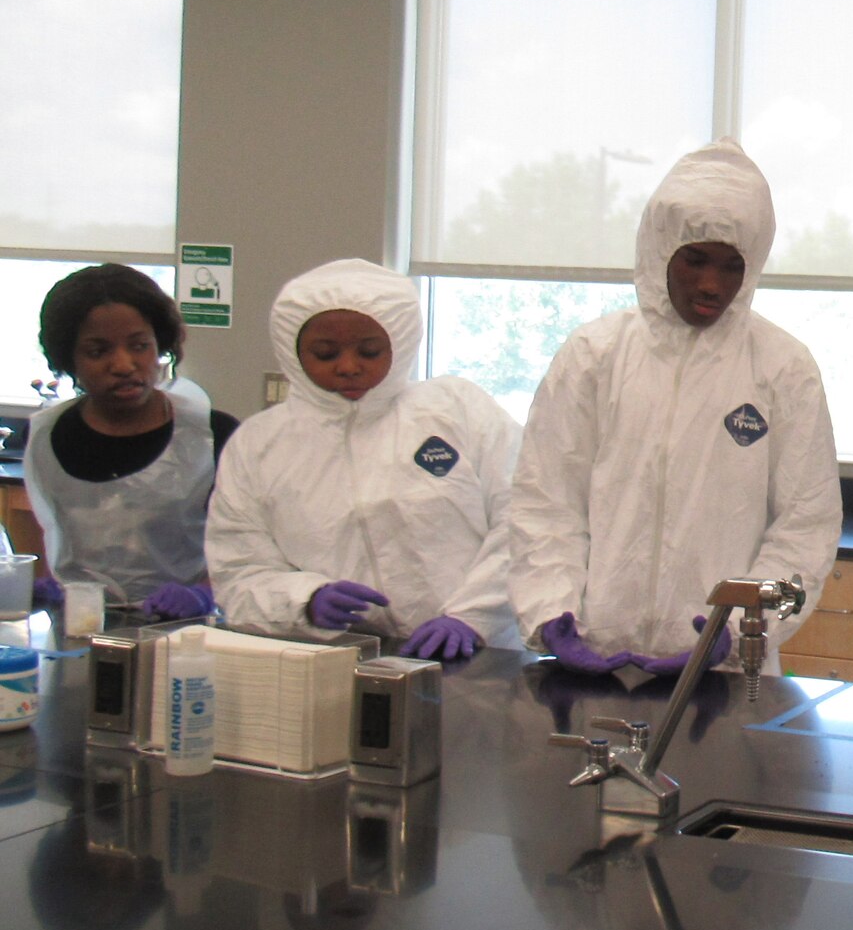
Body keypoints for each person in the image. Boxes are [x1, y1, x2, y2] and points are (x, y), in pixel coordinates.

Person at [509, 139, 841, 676]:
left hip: (726, 670)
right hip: (597, 657)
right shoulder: (595, 355)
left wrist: (736, 633)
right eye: (695, 259)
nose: (712, 284)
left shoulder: (782, 368)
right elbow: (546, 504)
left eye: (732, 266)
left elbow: (805, 528)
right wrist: (552, 613)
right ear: (661, 248)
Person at [207, 259, 521, 660]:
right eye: (325, 353)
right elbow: (239, 569)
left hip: (475, 656)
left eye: (369, 351)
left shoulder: (457, 410)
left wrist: (474, 615)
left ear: (401, 341)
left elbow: (522, 520)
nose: (348, 366)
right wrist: (304, 600)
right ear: (292, 351)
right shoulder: (259, 445)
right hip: (329, 659)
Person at [24, 264, 238, 618]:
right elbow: (57, 544)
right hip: (78, 627)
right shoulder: (49, 436)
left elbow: (249, 552)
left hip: (188, 633)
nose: (124, 364)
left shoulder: (213, 436)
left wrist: (204, 595)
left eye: (139, 346)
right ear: (68, 358)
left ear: (160, 345)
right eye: (98, 351)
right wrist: (48, 588)